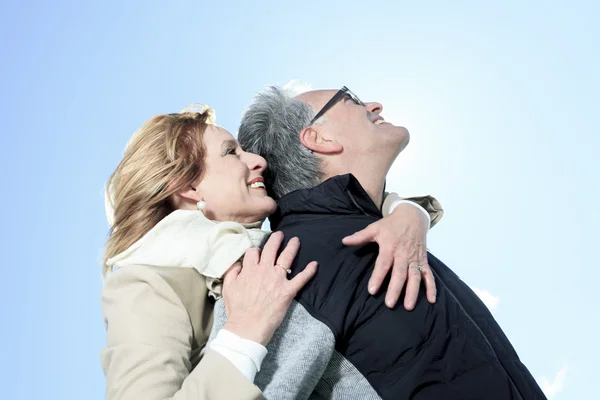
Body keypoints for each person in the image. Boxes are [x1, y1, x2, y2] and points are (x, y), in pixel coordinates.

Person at [219, 83, 548, 399]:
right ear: (319, 138)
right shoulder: (287, 263)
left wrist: (410, 211)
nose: (374, 106)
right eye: (350, 99)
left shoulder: (393, 234)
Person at [100, 105, 443, 400]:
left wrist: (408, 213)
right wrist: (244, 331)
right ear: (189, 187)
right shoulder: (144, 284)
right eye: (231, 152)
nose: (257, 161)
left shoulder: (262, 248)